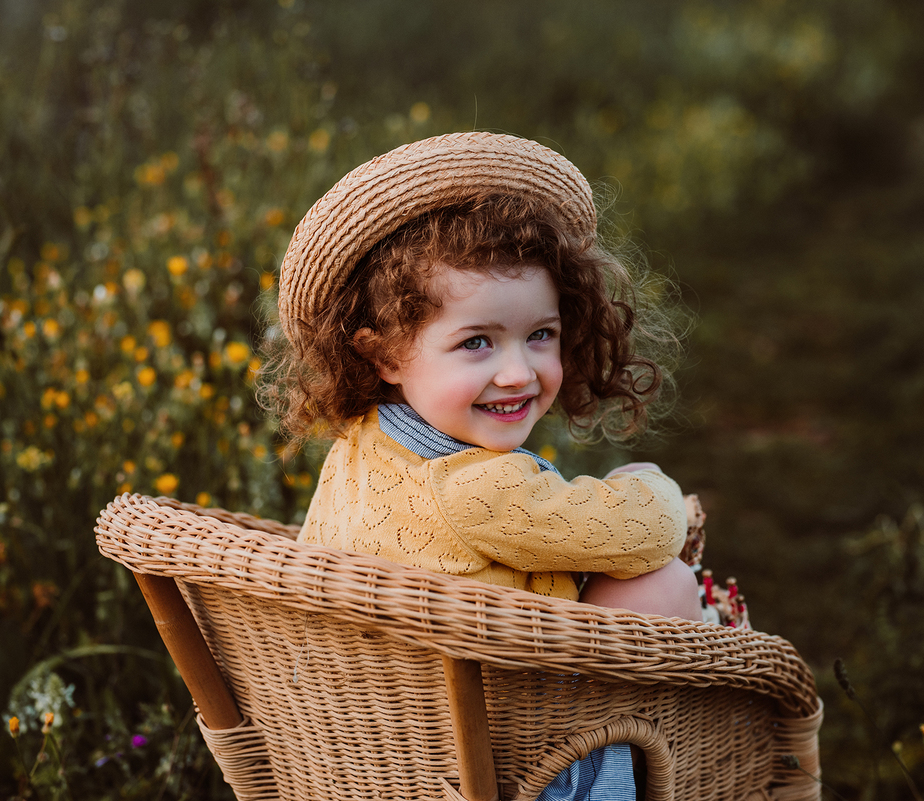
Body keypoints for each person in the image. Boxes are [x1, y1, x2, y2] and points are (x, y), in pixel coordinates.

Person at [263, 132, 701, 801]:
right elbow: (652, 530)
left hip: (387, 748)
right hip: (511, 762)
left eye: (540, 335)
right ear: (384, 356)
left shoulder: (360, 442)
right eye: (476, 342)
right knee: (663, 582)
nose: (517, 372)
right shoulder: (479, 489)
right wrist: (645, 485)